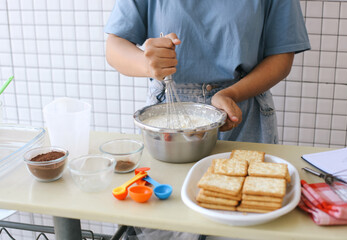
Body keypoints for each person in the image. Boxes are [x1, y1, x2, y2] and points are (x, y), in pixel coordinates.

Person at [104, 0, 310, 239]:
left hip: (242, 111)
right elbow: (115, 46)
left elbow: (281, 56)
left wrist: (230, 94)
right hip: (168, 119)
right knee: (168, 217)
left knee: (245, 218)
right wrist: (147, 63)